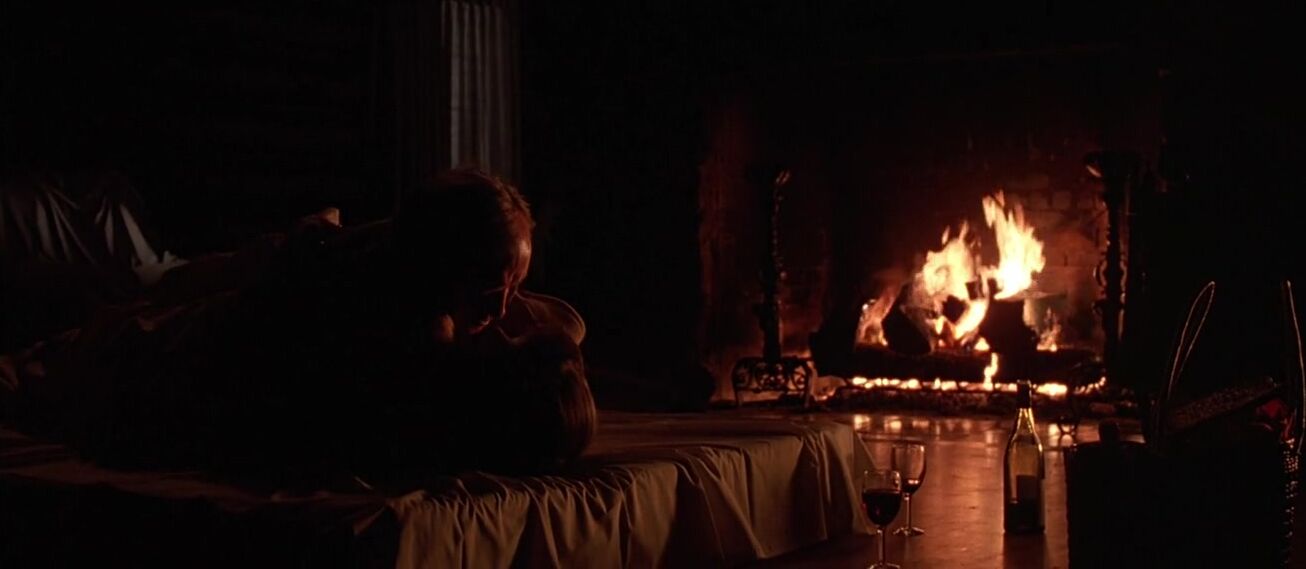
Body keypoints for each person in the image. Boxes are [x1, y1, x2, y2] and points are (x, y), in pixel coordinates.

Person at [1, 167, 595, 485]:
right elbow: (566, 326)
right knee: (84, 314)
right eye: (495, 287)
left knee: (76, 317)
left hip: (173, 355)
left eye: (513, 290)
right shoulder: (396, 304)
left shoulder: (426, 336)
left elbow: (562, 325)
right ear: (443, 267)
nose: (505, 309)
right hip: (172, 345)